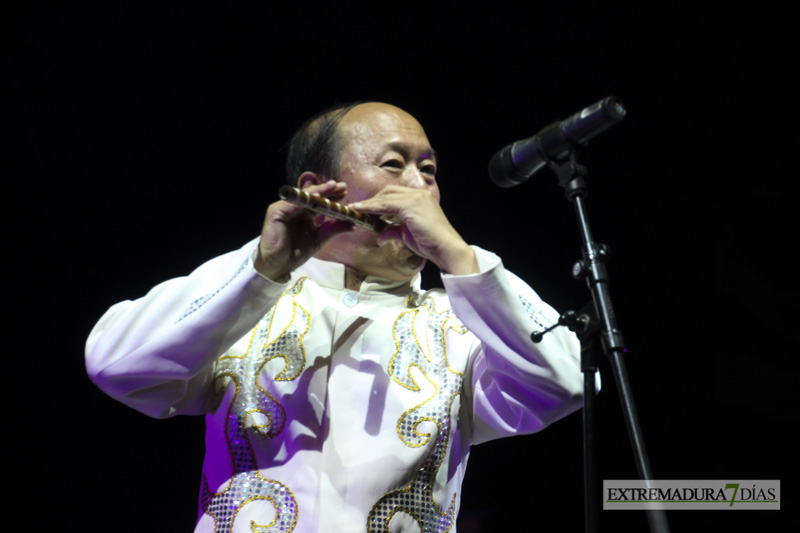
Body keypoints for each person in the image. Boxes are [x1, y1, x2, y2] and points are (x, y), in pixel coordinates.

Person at [86, 102, 589, 533]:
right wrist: (262, 267)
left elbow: (565, 383)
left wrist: (458, 257)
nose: (419, 189)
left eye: (430, 171)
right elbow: (116, 365)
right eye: (394, 165)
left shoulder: (461, 326)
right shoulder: (247, 303)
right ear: (320, 189)